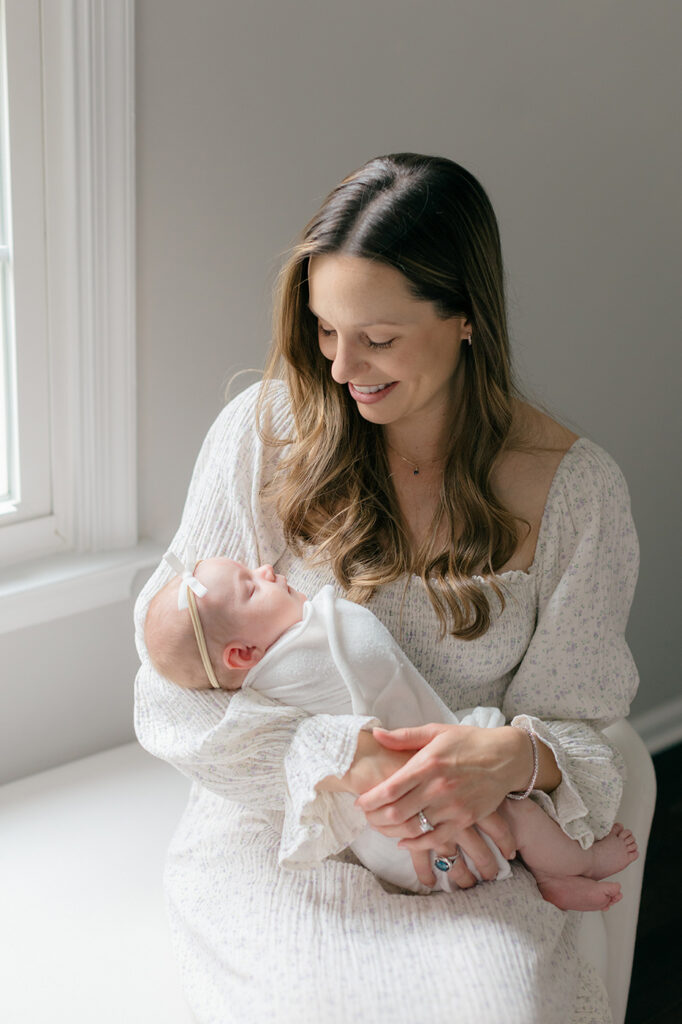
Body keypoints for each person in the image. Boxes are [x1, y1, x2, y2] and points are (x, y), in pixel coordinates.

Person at [134, 153, 639, 1024]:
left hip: (467, 852)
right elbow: (169, 695)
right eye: (326, 330)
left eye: (378, 337)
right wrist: (347, 758)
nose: (341, 368)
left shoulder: (578, 494)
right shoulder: (262, 434)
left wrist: (510, 758)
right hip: (281, 838)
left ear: (467, 317)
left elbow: (586, 730)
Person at [144, 553, 638, 907]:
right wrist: (351, 758)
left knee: (508, 795)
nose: (267, 570)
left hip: (459, 758)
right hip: (405, 829)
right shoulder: (285, 673)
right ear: (242, 655)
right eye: (252, 587)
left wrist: (505, 755)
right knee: (520, 817)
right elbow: (192, 716)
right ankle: (569, 867)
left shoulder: (290, 634)